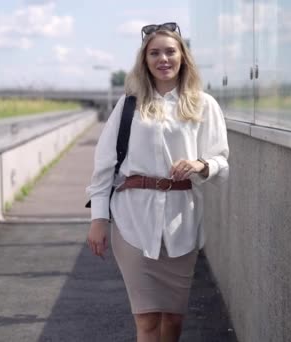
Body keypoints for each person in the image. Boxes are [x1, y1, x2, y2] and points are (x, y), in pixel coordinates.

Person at [85, 22, 229, 342]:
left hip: (182, 221)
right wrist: (98, 219)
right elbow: (104, 166)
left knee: (173, 320)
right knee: (148, 320)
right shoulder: (129, 105)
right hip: (133, 219)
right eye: (154, 53)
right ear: (145, 60)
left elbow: (222, 161)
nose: (163, 59)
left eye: (170, 51)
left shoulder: (204, 104)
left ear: (182, 57)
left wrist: (200, 164)